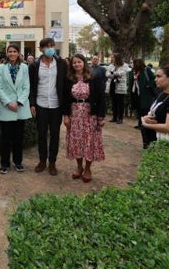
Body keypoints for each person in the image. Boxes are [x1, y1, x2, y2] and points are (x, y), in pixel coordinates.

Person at [63, 54, 106, 183]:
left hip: (90, 115)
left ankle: (88, 169)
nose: (76, 64)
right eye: (74, 63)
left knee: (89, 142)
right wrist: (66, 116)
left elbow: (100, 97)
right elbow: (65, 99)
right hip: (75, 115)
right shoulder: (69, 78)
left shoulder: (93, 78)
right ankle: (79, 167)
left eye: (79, 62)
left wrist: (101, 117)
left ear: (84, 63)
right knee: (77, 141)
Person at [28, 37, 68, 176]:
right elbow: (32, 86)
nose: (50, 48)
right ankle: (42, 161)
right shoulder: (34, 66)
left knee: (55, 135)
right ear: (41, 49)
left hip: (56, 105)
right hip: (41, 104)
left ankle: (52, 163)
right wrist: (32, 103)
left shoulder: (62, 64)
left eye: (52, 45)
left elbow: (65, 85)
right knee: (42, 134)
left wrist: (66, 109)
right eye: (46, 46)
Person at [0, 43, 32, 174]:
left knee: (18, 137)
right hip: (6, 107)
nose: (12, 54)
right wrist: (9, 103)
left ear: (18, 53)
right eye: (10, 51)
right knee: (5, 138)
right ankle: (4, 163)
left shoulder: (25, 67)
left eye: (14, 51)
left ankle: (18, 162)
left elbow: (27, 87)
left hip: (20, 107)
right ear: (7, 53)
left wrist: (19, 101)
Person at [128, 59, 157, 148]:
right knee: (140, 114)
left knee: (146, 115)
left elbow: (153, 79)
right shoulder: (132, 72)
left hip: (146, 98)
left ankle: (148, 140)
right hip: (136, 97)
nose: (132, 65)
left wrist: (148, 86)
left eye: (134, 63)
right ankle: (141, 128)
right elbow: (130, 83)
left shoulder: (146, 70)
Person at [105, 53, 130, 124]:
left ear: (117, 58)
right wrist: (113, 74)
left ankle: (120, 118)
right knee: (114, 102)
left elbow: (121, 73)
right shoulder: (111, 65)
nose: (111, 59)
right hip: (112, 85)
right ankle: (114, 117)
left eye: (113, 57)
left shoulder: (124, 65)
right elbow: (107, 74)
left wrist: (112, 74)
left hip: (120, 86)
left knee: (120, 103)